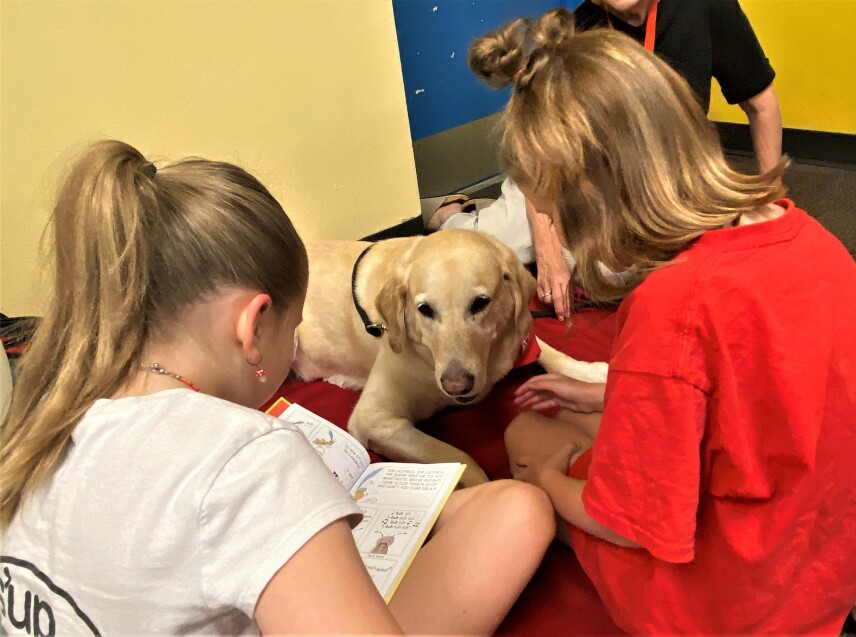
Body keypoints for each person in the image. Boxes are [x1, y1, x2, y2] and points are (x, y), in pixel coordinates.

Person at [0, 140, 555, 635]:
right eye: (295, 331)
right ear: (254, 327)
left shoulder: (52, 410)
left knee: (514, 507)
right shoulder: (251, 460)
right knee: (519, 514)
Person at [470, 10, 856, 635]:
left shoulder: (675, 306)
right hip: (839, 561)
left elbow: (629, 524)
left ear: (593, 199)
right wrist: (609, 391)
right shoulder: (807, 233)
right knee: (574, 417)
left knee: (529, 437)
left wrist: (552, 485)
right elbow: (764, 389)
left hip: (740, 605)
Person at [426, 0, 782, 323]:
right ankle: (451, 215)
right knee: (489, 247)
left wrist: (769, 201)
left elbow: (761, 104)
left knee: (659, 275)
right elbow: (539, 157)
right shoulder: (578, 26)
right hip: (571, 181)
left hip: (657, 186)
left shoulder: (705, 7)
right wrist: (547, 249)